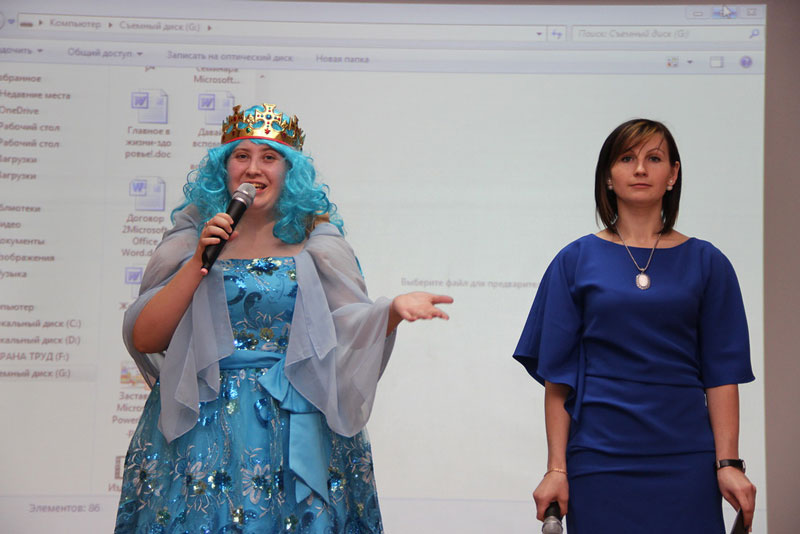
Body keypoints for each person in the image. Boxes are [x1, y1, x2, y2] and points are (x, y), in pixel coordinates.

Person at [115, 103, 452, 534]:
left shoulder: (316, 240)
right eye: (241, 156)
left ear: (290, 171)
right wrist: (199, 259)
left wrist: (390, 311)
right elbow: (146, 337)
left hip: (297, 422)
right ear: (223, 168)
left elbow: (347, 326)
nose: (253, 169)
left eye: (269, 157)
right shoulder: (192, 237)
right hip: (201, 427)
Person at [513, 119, 757, 533]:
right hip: (599, 458)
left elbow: (721, 375)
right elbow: (559, 378)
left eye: (654, 159)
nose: (640, 169)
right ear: (608, 177)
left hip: (686, 460)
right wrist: (556, 468)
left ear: (673, 175)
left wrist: (728, 462)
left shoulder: (708, 262)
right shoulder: (574, 260)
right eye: (627, 158)